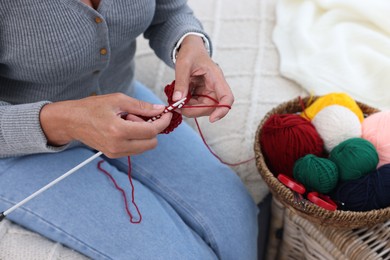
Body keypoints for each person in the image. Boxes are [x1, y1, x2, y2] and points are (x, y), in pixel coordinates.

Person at [0, 0, 259, 259]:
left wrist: (189, 43)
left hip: (125, 105)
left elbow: (168, 11)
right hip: (17, 146)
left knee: (234, 214)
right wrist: (67, 121)